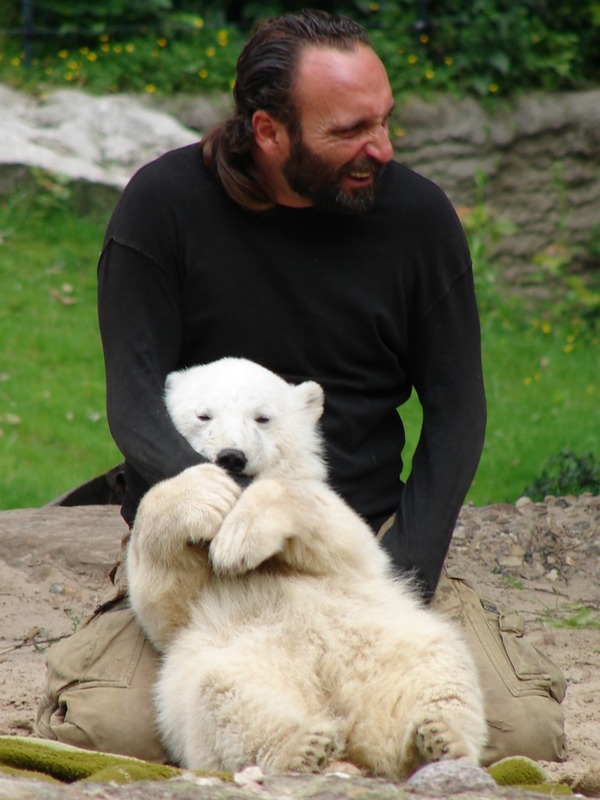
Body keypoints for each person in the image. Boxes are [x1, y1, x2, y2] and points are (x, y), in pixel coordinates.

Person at [37, 8, 566, 767]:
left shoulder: (417, 220)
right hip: (203, 560)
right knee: (108, 731)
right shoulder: (161, 208)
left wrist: (399, 576)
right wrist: (198, 509)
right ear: (269, 131)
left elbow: (457, 413)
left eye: (385, 121)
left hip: (360, 542)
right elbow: (134, 399)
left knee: (522, 735)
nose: (380, 149)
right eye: (350, 130)